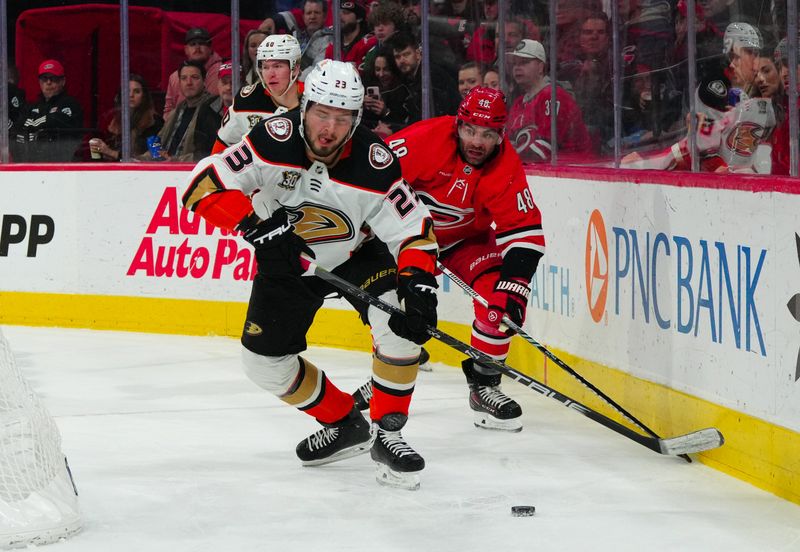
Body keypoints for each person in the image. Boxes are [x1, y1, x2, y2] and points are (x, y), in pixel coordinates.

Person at [181, 60, 438, 490]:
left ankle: (388, 435)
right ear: (305, 108)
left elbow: (414, 231)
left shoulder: (376, 163)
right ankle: (344, 423)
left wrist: (419, 283)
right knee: (263, 365)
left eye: (342, 118)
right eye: (321, 112)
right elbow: (200, 185)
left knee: (398, 325)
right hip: (284, 260)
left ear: (356, 120)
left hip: (357, 255)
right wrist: (255, 228)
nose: (329, 127)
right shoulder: (271, 139)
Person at [353, 87, 545, 432]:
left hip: (465, 240)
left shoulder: (505, 166)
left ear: (501, 135)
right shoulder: (426, 139)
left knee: (496, 298)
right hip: (407, 237)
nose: (476, 141)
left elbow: (525, 231)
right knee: (392, 306)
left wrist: (515, 289)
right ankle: (385, 373)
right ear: (457, 124)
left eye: (487, 134)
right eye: (469, 130)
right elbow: (371, 178)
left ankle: (484, 385)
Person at [505, 39, 592, 163]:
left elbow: (544, 149)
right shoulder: (518, 103)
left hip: (572, 172)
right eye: (515, 63)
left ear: (541, 67)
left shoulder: (554, 96)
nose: (517, 67)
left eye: (524, 62)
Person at [213, 34, 303, 153]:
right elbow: (220, 149)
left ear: (295, 69)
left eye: (277, 66)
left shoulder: (315, 101)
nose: (271, 74)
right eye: (265, 67)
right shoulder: (246, 101)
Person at [143, 60, 219, 162]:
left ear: (204, 81)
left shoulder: (212, 110)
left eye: (194, 77)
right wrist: (141, 159)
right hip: (168, 169)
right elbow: (158, 143)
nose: (189, 83)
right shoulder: (178, 110)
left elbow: (208, 153)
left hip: (191, 172)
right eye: (184, 78)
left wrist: (175, 161)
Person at [11, 59, 84, 162]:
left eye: (53, 78)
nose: (48, 82)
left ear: (62, 81)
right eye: (44, 79)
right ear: (39, 82)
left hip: (63, 166)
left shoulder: (70, 104)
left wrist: (33, 125)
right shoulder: (32, 106)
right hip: (32, 164)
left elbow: (56, 120)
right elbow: (17, 127)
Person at [87, 74, 164, 161]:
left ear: (144, 97)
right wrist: (100, 150)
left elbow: (156, 156)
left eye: (137, 91)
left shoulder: (153, 122)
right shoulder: (115, 120)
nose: (131, 95)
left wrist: (111, 153)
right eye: (127, 91)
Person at [164, 27, 223, 118]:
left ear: (210, 48)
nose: (197, 47)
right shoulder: (174, 77)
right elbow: (168, 110)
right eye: (193, 44)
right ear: (186, 49)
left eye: (202, 43)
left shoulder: (222, 71)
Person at [323, 0, 377, 72]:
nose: (340, 16)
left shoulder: (367, 44)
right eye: (338, 13)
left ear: (359, 18)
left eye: (346, 13)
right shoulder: (332, 47)